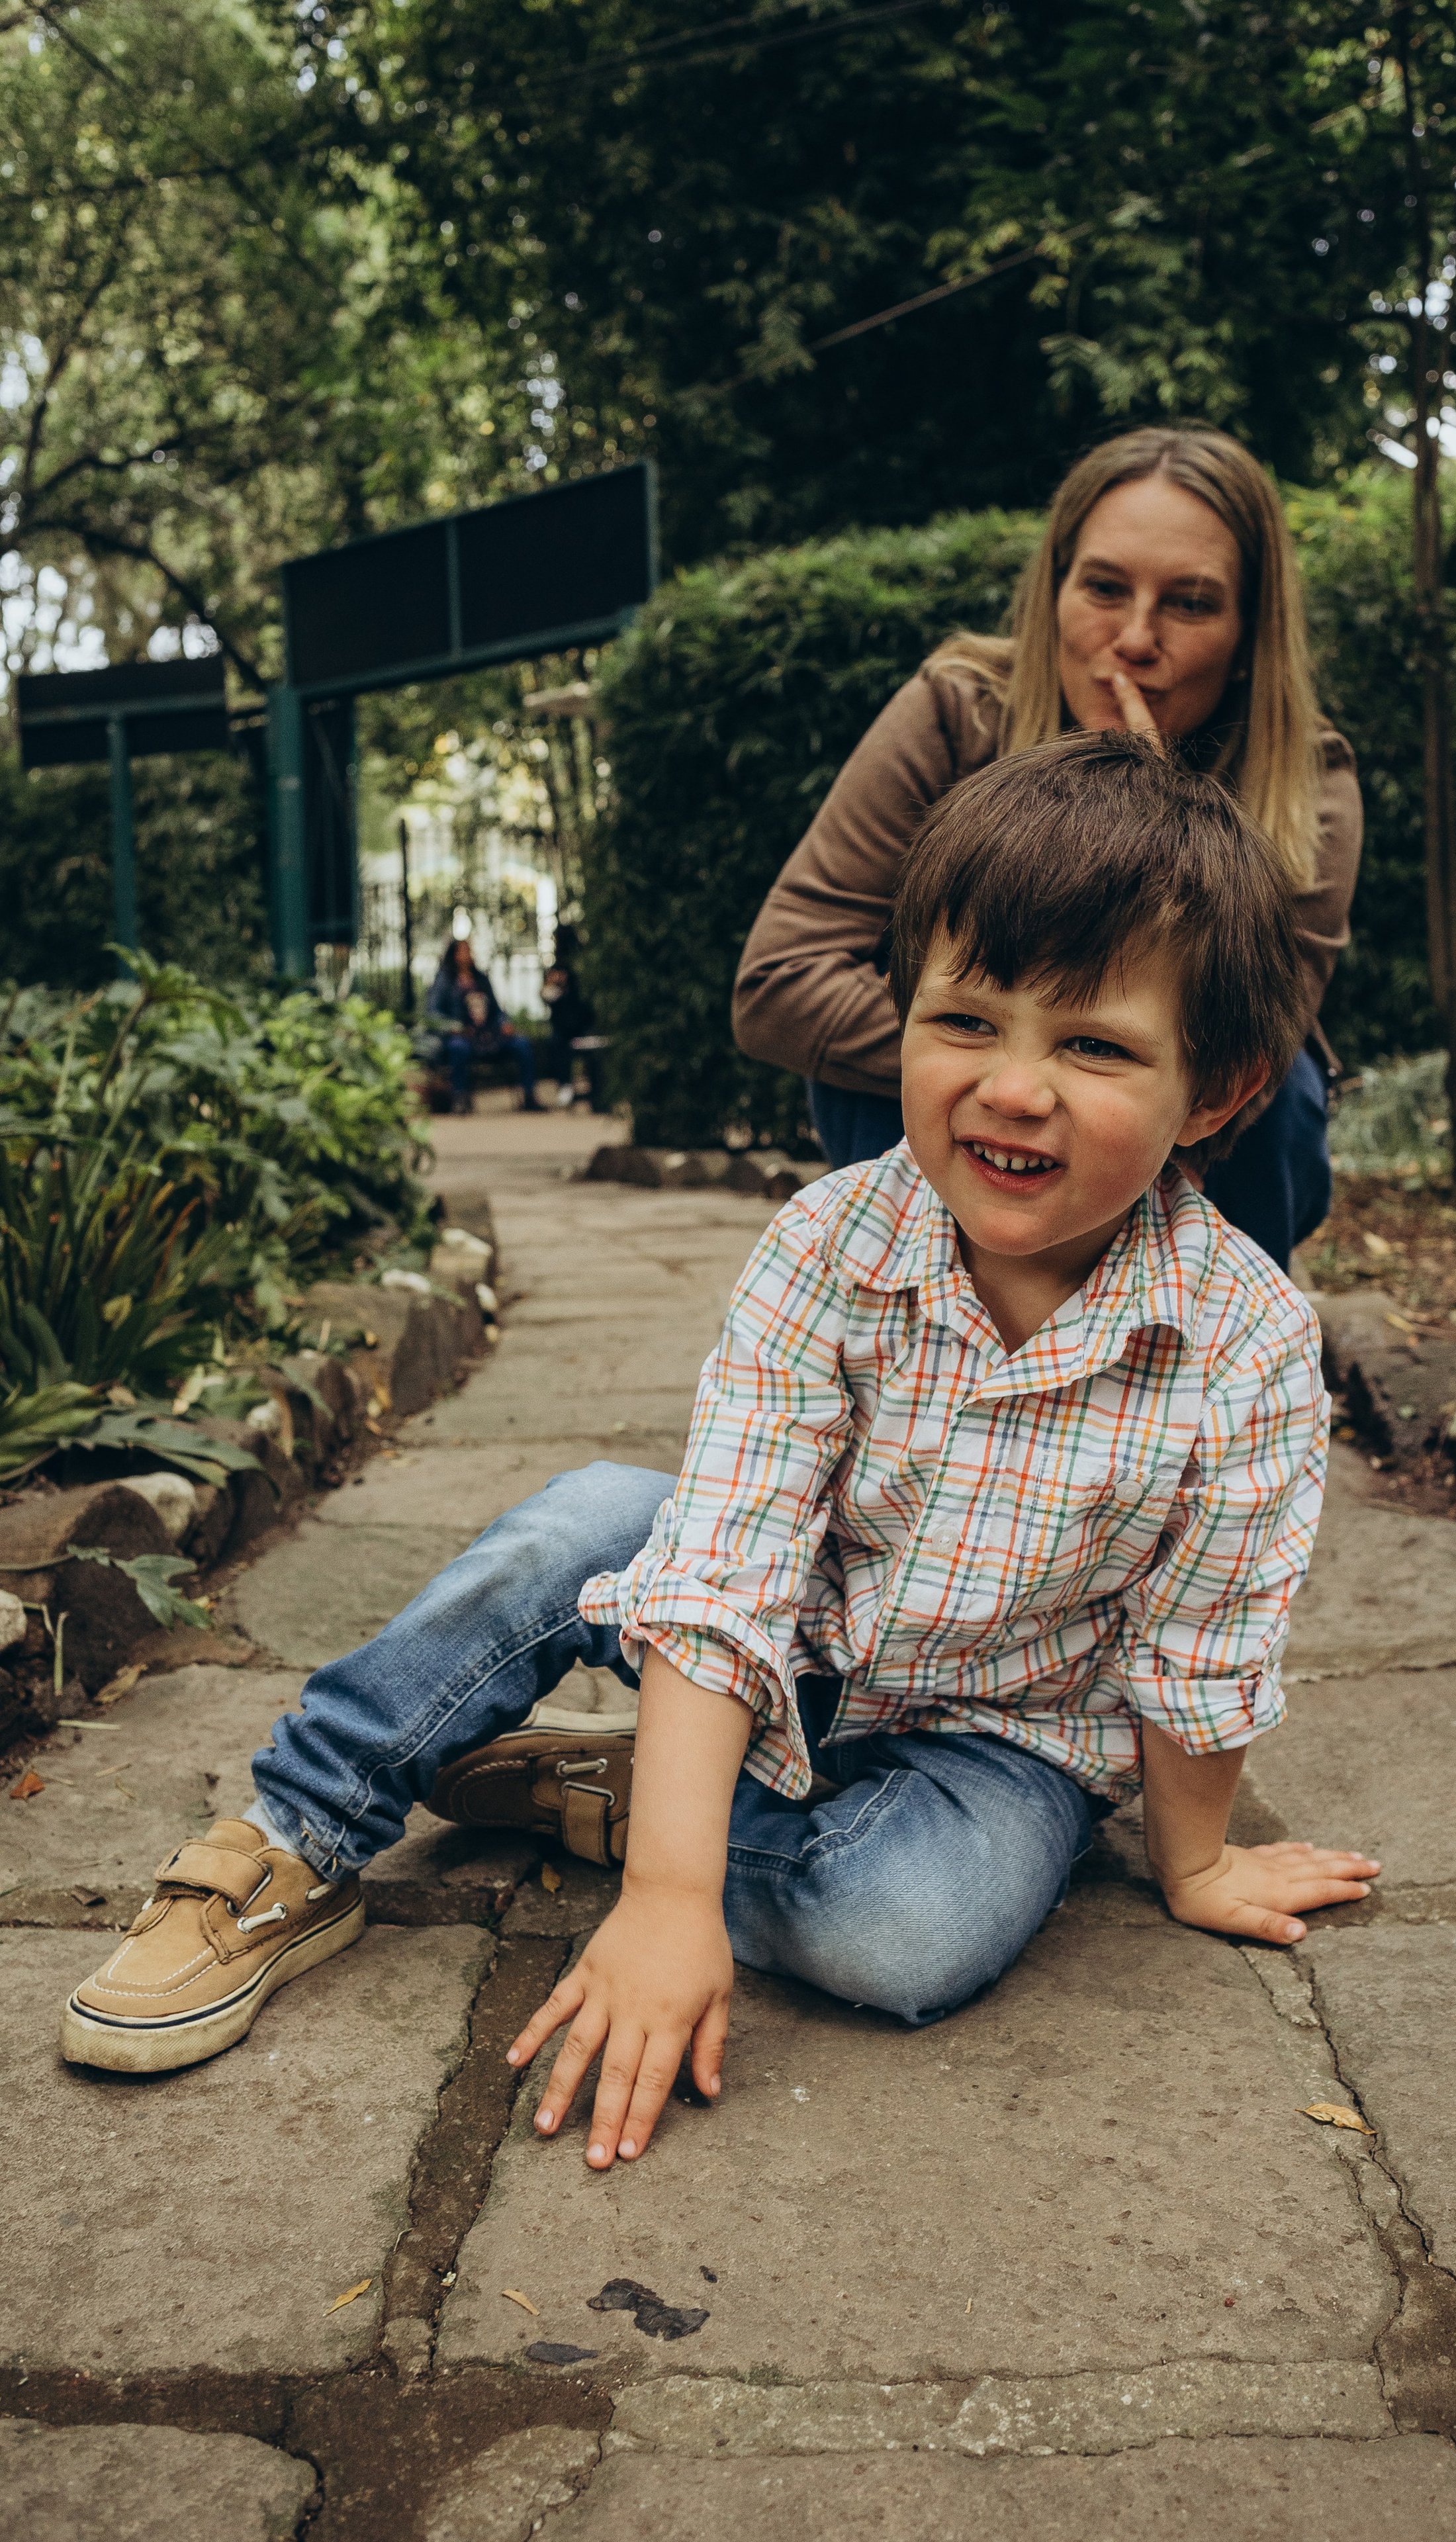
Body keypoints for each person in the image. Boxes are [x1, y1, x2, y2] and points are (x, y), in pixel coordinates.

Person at [60, 734, 1379, 2168]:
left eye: (1093, 1045)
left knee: (907, 1935)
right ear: (903, 1016)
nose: (1012, 1087)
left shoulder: (1241, 1345)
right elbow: (729, 1562)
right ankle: (296, 1835)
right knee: (579, 1524)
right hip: (775, 1626)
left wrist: (1192, 1862)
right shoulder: (827, 1244)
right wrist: (671, 1902)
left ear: (1215, 1093)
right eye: (967, 1022)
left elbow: (1203, 1639)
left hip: (1001, 1732)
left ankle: (620, 1798)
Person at [733, 426, 1363, 1272]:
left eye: (1190, 603)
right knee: (872, 1056)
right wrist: (977, 1056)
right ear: (1054, 591)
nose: (1135, 639)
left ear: (1249, 634)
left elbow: (1263, 1041)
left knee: (1277, 1088)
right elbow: (780, 982)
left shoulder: (1303, 778)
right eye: (1104, 587)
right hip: (924, 1131)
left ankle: (1225, 1349)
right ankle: (889, 1326)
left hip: (1195, 1149)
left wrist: (1152, 805)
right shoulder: (958, 710)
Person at [428, 933, 540, 1114]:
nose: (468, 954)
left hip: (490, 1035)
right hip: (464, 1037)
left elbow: (497, 1010)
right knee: (458, 1048)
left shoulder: (481, 979)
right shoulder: (444, 981)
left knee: (522, 1044)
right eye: (463, 950)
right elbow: (433, 1013)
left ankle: (529, 1096)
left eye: (469, 950)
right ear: (453, 954)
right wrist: (454, 1028)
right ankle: (460, 1098)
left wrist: (505, 1023)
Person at [540, 923, 607, 1114]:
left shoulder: (584, 967)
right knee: (556, 1043)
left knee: (593, 1047)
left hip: (584, 1024)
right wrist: (554, 985)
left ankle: (598, 1093)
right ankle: (565, 1085)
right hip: (562, 1028)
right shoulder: (555, 970)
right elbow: (548, 998)